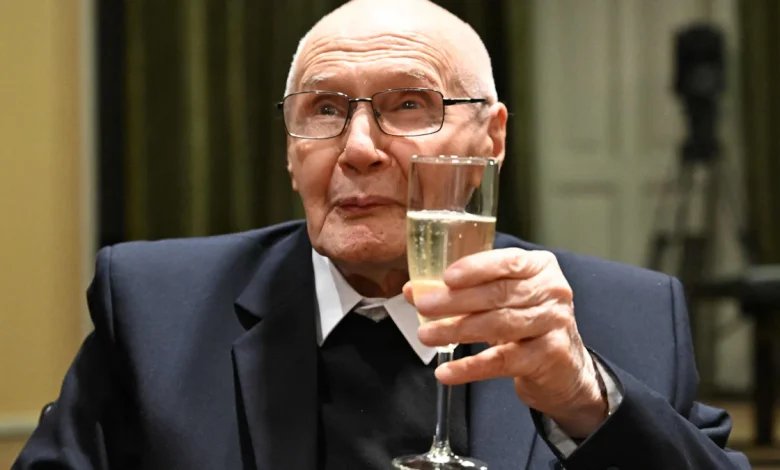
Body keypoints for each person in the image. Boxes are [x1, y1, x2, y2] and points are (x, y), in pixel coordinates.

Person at [15, 0, 750, 469]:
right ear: (290, 147)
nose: (359, 148)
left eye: (408, 105)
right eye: (325, 110)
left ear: (491, 140)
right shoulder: (155, 310)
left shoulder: (627, 317)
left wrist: (585, 399)